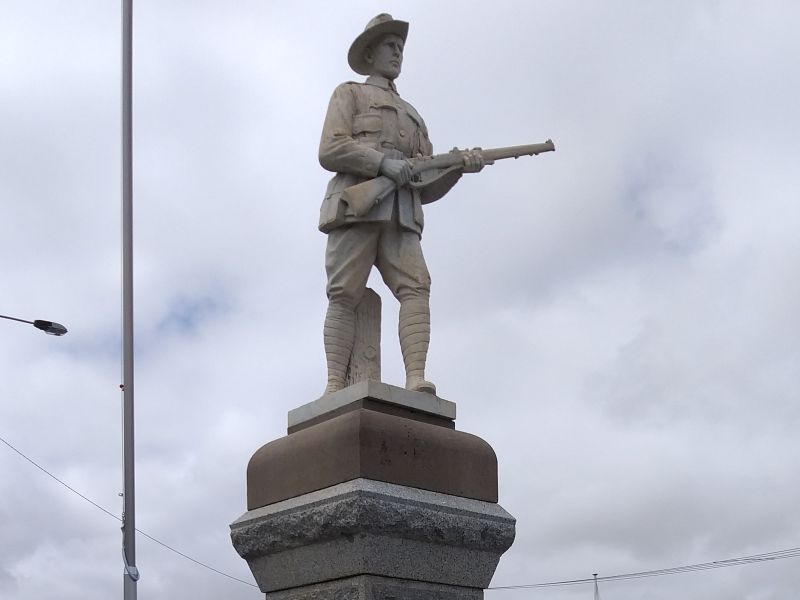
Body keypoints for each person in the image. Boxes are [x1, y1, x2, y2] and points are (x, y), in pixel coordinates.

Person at [318, 13, 481, 396]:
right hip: (357, 207)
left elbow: (424, 185)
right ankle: (334, 384)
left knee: (416, 287)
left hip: (401, 214)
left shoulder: (414, 116)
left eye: (401, 48)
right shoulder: (350, 94)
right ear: (371, 53)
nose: (398, 53)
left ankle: (415, 379)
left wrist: (457, 169)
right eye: (391, 46)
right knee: (343, 292)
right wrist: (383, 164)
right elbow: (331, 148)